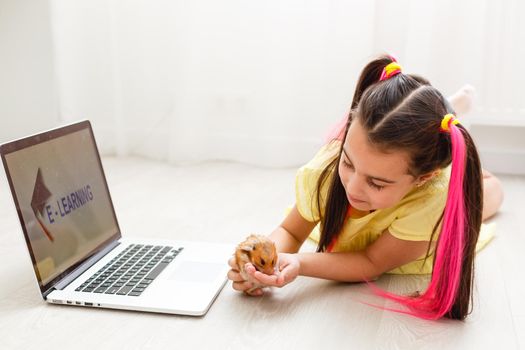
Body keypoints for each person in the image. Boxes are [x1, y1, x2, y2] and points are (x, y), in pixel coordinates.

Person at [227, 55, 504, 320]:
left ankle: (451, 119)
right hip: (401, 165)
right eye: (348, 163)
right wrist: (261, 265)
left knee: (489, 194)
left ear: (422, 178)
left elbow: (371, 262)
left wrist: (302, 264)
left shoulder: (431, 199)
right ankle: (445, 108)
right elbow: (289, 230)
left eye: (376, 182)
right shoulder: (325, 170)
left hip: (429, 203)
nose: (354, 189)